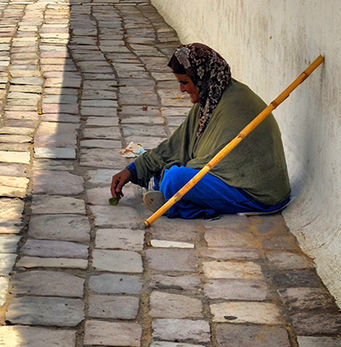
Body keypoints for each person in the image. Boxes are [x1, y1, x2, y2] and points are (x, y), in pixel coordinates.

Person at [110, 43, 291, 219]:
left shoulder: (235, 104)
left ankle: (179, 201)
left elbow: (213, 163)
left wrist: (169, 174)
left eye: (185, 82)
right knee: (172, 171)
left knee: (175, 178)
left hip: (258, 195)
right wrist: (133, 170)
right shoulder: (211, 98)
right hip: (239, 183)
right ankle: (169, 191)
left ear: (201, 77)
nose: (182, 89)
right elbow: (178, 145)